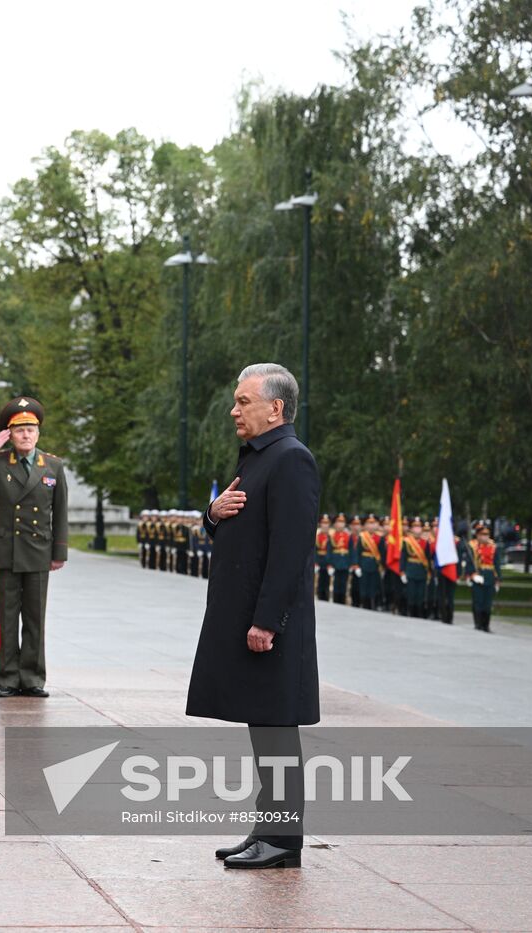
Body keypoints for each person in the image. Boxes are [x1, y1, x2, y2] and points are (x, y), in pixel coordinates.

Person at [186, 363, 319, 870]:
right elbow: (243, 527)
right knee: (264, 731)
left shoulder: (290, 460)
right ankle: (268, 829)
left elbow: (290, 551)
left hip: (273, 627)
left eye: (243, 401)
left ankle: (284, 841)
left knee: (278, 732)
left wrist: (267, 621)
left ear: (275, 408)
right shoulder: (261, 458)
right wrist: (212, 516)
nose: (234, 410)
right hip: (253, 620)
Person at [0, 396, 69, 699]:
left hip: (38, 552)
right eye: (19, 430)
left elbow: (60, 512)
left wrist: (59, 553)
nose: (25, 435)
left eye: (30, 430)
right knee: (8, 618)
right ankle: (8, 678)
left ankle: (33, 678)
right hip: (7, 552)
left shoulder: (53, 466)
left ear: (38, 433)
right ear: (9, 434)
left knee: (35, 618)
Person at [464, 522, 502, 632]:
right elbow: (469, 563)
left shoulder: (493, 547)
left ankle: (486, 625)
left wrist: (498, 579)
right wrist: (472, 575)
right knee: (478, 602)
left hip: (490, 577)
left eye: (487, 534)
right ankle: (478, 624)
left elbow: (497, 564)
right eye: (482, 534)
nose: (485, 536)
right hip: (478, 576)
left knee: (488, 604)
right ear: (477, 535)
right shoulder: (472, 546)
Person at [401, 517, 431, 618]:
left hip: (421, 572)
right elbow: (403, 557)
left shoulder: (426, 543)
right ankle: (410, 613)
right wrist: (402, 571)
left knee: (420, 596)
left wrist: (430, 573)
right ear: (411, 529)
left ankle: (420, 614)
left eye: (419, 527)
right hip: (410, 570)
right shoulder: (407, 541)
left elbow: (428, 559)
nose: (417, 529)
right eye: (415, 527)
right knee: (411, 594)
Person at [356, 514, 385, 611]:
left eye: (373, 523)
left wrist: (383, 567)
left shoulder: (380, 538)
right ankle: (364, 605)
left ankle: (373, 606)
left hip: (375, 566)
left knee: (374, 587)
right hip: (364, 564)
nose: (371, 526)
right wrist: (357, 566)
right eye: (369, 523)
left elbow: (382, 554)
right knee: (364, 587)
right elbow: (358, 552)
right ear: (365, 525)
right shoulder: (362, 536)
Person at [328, 513, 353, 604]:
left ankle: (342, 601)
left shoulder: (348, 536)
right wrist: (330, 564)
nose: (340, 524)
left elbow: (351, 551)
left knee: (344, 584)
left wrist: (351, 564)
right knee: (336, 584)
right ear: (335, 524)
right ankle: (336, 601)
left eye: (342, 522)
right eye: (338, 522)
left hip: (345, 563)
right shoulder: (332, 536)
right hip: (336, 562)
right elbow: (329, 551)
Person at [315, 514, 331, 600]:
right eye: (323, 523)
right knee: (319, 581)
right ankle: (319, 595)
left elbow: (331, 551)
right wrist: (315, 562)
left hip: (327, 561)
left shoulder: (331, 536)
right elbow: (315, 550)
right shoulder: (317, 536)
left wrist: (331, 563)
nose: (325, 525)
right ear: (320, 524)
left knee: (327, 581)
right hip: (319, 560)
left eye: (327, 523)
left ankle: (326, 596)